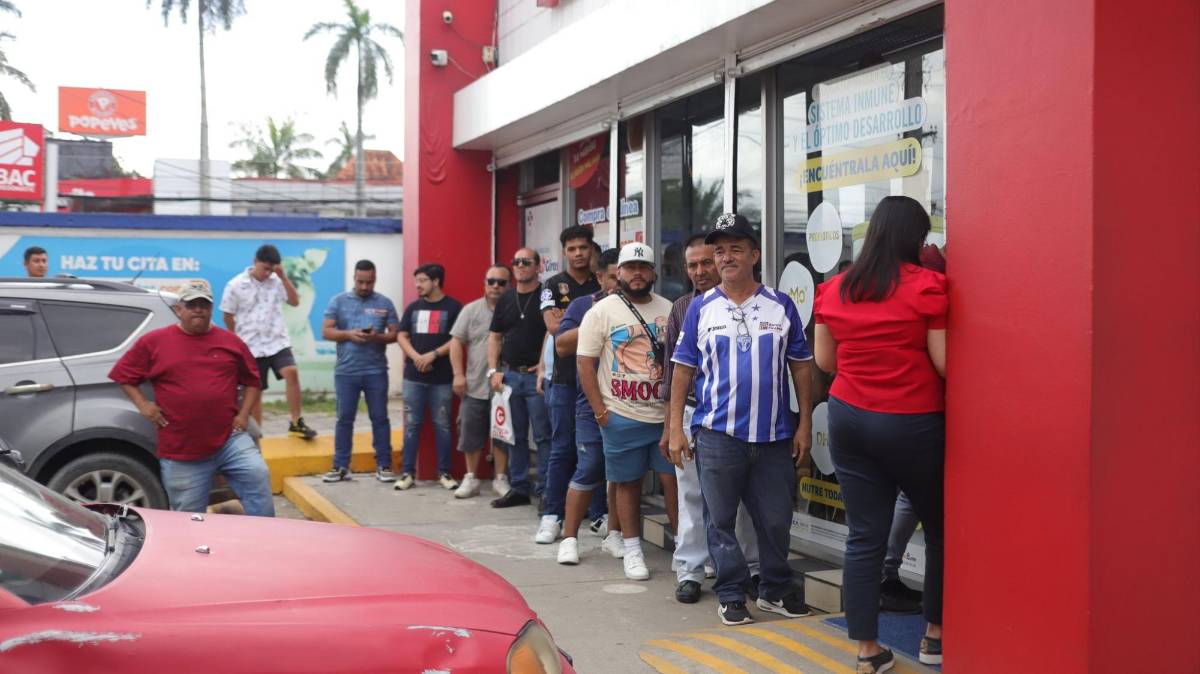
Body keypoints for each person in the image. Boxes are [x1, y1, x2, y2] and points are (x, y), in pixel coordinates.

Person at [812, 195, 947, 672]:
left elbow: (826, 363)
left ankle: (867, 650)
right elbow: (944, 362)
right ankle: (933, 636)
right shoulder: (930, 286)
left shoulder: (834, 289)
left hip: (849, 418)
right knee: (940, 529)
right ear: (916, 237)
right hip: (912, 421)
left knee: (864, 537)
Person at [669, 213, 814, 627]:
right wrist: (674, 427)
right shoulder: (701, 308)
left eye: (735, 248)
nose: (726, 257)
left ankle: (773, 590)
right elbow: (682, 369)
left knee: (775, 520)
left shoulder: (780, 304)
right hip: (717, 435)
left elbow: (801, 366)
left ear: (754, 253)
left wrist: (804, 423)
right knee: (721, 521)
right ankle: (731, 593)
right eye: (719, 251)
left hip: (772, 437)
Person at [108, 281, 274, 517]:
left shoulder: (230, 342)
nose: (198, 309)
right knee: (188, 517)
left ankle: (265, 540)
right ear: (179, 310)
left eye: (203, 304)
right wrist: (144, 405)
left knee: (258, 476)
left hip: (230, 440)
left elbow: (253, 381)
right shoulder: (154, 342)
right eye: (191, 304)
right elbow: (124, 375)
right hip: (181, 450)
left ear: (210, 309)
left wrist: (243, 414)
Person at [660, 234, 761, 605]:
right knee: (691, 496)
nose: (701, 271)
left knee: (744, 500)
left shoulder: (753, 303)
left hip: (741, 418)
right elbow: (671, 373)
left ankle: (749, 567)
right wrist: (670, 428)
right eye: (693, 265)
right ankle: (689, 571)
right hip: (690, 413)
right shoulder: (684, 308)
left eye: (706, 262)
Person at [577, 242, 676, 581]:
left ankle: (684, 549)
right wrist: (601, 412)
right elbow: (585, 364)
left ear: (654, 273)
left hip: (665, 416)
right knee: (626, 483)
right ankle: (632, 549)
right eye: (630, 268)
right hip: (622, 414)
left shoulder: (670, 308)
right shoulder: (602, 312)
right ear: (617, 273)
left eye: (643, 268)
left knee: (674, 483)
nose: (637, 274)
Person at [554, 248, 623, 566]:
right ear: (600, 277)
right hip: (589, 403)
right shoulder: (584, 305)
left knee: (622, 473)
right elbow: (562, 344)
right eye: (614, 276)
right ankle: (569, 538)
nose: (621, 282)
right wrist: (599, 321)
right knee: (591, 465)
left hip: (631, 402)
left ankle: (615, 534)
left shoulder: (644, 306)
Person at [535, 225, 601, 543]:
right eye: (572, 248)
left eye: (583, 248)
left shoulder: (599, 282)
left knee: (597, 449)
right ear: (564, 252)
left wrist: (572, 322)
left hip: (600, 379)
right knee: (562, 448)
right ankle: (552, 515)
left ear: (591, 249)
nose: (578, 253)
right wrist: (596, 324)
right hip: (563, 379)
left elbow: (567, 328)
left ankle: (599, 515)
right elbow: (553, 328)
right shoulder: (552, 284)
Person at [219, 244, 317, 440]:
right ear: (255, 261)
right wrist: (236, 339)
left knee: (291, 372)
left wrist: (283, 276)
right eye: (265, 268)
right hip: (251, 346)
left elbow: (294, 301)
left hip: (277, 341)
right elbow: (227, 315)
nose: (267, 273)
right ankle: (258, 433)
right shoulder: (236, 285)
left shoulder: (276, 281)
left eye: (271, 269)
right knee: (255, 391)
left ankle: (296, 422)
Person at [320, 260, 400, 483]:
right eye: (360, 281)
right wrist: (349, 334)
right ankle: (340, 465)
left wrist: (376, 337)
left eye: (369, 282)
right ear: (354, 278)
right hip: (346, 371)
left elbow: (396, 334)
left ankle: (384, 465)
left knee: (380, 418)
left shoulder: (385, 303)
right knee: (344, 419)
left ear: (375, 279)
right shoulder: (338, 301)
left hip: (376, 371)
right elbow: (326, 331)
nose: (365, 286)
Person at [487, 247, 551, 508]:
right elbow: (495, 337)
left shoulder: (546, 296)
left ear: (538, 266)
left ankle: (547, 489)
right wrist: (494, 370)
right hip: (511, 377)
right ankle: (520, 487)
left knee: (544, 436)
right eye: (516, 262)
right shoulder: (506, 298)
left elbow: (553, 331)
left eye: (526, 262)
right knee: (514, 435)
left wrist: (544, 365)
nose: (520, 266)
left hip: (536, 377)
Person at [395, 263, 463, 491]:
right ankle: (407, 473)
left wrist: (432, 355)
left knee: (443, 425)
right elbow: (402, 335)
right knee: (412, 424)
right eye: (417, 280)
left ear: (436, 281)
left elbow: (458, 339)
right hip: (413, 377)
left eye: (423, 280)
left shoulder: (454, 307)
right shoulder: (413, 308)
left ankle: (444, 473)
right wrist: (417, 357)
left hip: (442, 378)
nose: (418, 285)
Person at [449, 265, 511, 498]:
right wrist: (458, 374)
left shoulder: (514, 309)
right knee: (470, 433)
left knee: (503, 434)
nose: (496, 286)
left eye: (501, 282)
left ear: (509, 285)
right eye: (491, 281)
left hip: (505, 387)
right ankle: (471, 478)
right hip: (474, 384)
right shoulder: (471, 310)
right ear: (484, 283)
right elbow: (456, 342)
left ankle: (500, 478)